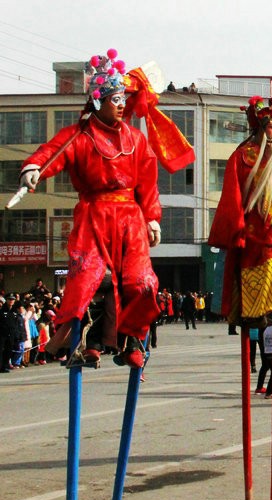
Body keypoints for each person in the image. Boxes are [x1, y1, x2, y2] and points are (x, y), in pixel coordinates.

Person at [18, 50, 165, 369]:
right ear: (98, 102)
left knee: (142, 283)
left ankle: (132, 342)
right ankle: (86, 342)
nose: (122, 105)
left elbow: (148, 184)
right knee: (89, 278)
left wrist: (152, 218)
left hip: (130, 219)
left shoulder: (136, 139)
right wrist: (35, 167)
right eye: (115, 99)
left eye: (123, 98)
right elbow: (52, 153)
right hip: (94, 217)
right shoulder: (79, 136)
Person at [208, 96, 272, 330]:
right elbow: (232, 194)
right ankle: (253, 316)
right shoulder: (241, 156)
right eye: (271, 127)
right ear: (260, 128)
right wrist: (235, 227)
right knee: (252, 271)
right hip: (252, 230)